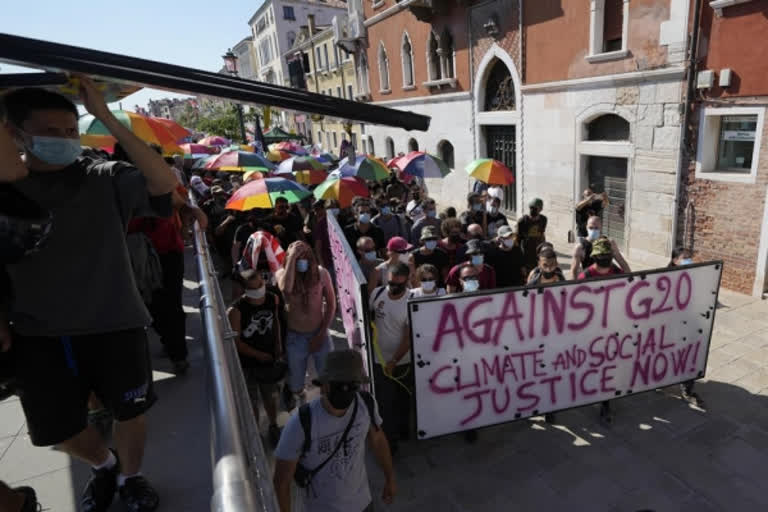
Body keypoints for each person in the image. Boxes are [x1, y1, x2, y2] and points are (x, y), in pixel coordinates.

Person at [1, 81, 177, 511]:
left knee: (129, 413)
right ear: (15, 133)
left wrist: (107, 115)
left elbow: (161, 181)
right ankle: (104, 464)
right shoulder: (7, 189)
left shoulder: (103, 176)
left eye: (70, 131)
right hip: (36, 332)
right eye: (49, 130)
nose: (63, 140)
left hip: (114, 320)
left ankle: (131, 478)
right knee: (55, 430)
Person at [273, 350, 396, 512]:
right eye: (339, 385)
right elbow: (281, 483)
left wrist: (390, 478)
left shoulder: (365, 404)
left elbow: (378, 440)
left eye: (352, 385)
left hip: (363, 504)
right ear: (324, 386)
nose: (345, 391)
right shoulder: (301, 423)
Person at [577, 237, 630, 424]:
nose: (606, 259)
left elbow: (631, 278)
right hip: (592, 331)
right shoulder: (586, 276)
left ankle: (605, 401)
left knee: (608, 366)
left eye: (608, 256)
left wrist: (618, 254)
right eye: (605, 256)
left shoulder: (616, 272)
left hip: (612, 329)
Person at [228, 270, 284, 447]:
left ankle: (273, 425)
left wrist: (278, 345)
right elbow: (236, 342)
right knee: (251, 399)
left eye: (261, 283)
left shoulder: (271, 298)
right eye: (255, 286)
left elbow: (276, 322)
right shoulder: (236, 310)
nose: (261, 288)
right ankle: (255, 433)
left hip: (268, 359)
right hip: (247, 363)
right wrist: (260, 355)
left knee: (270, 395)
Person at [277, 242, 336, 406]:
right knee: (296, 383)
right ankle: (299, 399)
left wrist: (322, 333)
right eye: (297, 257)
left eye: (305, 256)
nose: (301, 260)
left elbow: (331, 304)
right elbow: (286, 289)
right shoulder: (282, 273)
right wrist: (292, 258)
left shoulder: (321, 273)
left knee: (328, 378)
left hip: (320, 333)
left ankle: (326, 406)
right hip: (295, 337)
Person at [369, 262, 414, 454]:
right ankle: (391, 442)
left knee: (403, 400)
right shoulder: (377, 294)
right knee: (385, 402)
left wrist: (394, 361)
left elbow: (408, 337)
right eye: (390, 284)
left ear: (407, 282)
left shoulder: (411, 301)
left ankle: (404, 431)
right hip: (379, 361)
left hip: (402, 362)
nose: (393, 289)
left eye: (398, 285)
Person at [668, 247, 702, 407]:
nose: (689, 260)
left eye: (690, 257)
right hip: (670, 326)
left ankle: (687, 389)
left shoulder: (696, 275)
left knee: (690, 355)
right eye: (685, 257)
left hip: (689, 324)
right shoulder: (665, 277)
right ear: (675, 260)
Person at [518, 198, 548, 271]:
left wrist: (544, 247)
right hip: (526, 254)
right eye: (531, 207)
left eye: (535, 208)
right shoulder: (523, 221)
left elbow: (542, 234)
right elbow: (518, 239)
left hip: (538, 252)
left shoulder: (543, 219)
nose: (532, 210)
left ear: (540, 209)